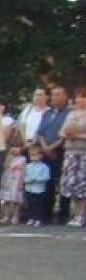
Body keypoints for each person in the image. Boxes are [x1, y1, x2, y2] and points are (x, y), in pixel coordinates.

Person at [35, 85, 72, 224]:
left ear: (65, 96)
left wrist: (53, 147)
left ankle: (63, 214)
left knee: (63, 183)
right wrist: (45, 147)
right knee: (47, 183)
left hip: (61, 151)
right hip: (45, 151)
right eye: (53, 94)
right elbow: (40, 132)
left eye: (58, 94)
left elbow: (66, 133)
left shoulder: (69, 113)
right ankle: (46, 213)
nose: (55, 97)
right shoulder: (47, 113)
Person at [58, 87, 86, 226]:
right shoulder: (71, 114)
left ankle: (82, 215)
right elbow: (61, 132)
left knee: (82, 184)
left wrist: (78, 136)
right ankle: (76, 214)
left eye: (83, 97)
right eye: (78, 97)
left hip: (84, 152)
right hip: (70, 151)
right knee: (72, 184)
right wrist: (67, 134)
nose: (80, 100)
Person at [23, 144, 51, 227]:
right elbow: (24, 176)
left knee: (39, 205)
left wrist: (37, 179)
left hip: (39, 189)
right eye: (31, 156)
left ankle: (38, 219)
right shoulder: (28, 166)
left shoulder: (44, 166)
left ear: (41, 156)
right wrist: (27, 180)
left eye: (35, 155)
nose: (33, 157)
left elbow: (46, 177)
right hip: (29, 188)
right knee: (30, 204)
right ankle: (31, 218)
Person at [0, 143, 25, 225]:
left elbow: (24, 171)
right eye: (13, 147)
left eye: (17, 147)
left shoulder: (23, 159)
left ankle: (15, 217)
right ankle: (6, 216)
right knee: (6, 200)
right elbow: (5, 167)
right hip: (8, 180)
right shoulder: (8, 158)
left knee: (16, 201)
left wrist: (21, 182)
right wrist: (9, 156)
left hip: (17, 181)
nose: (15, 149)